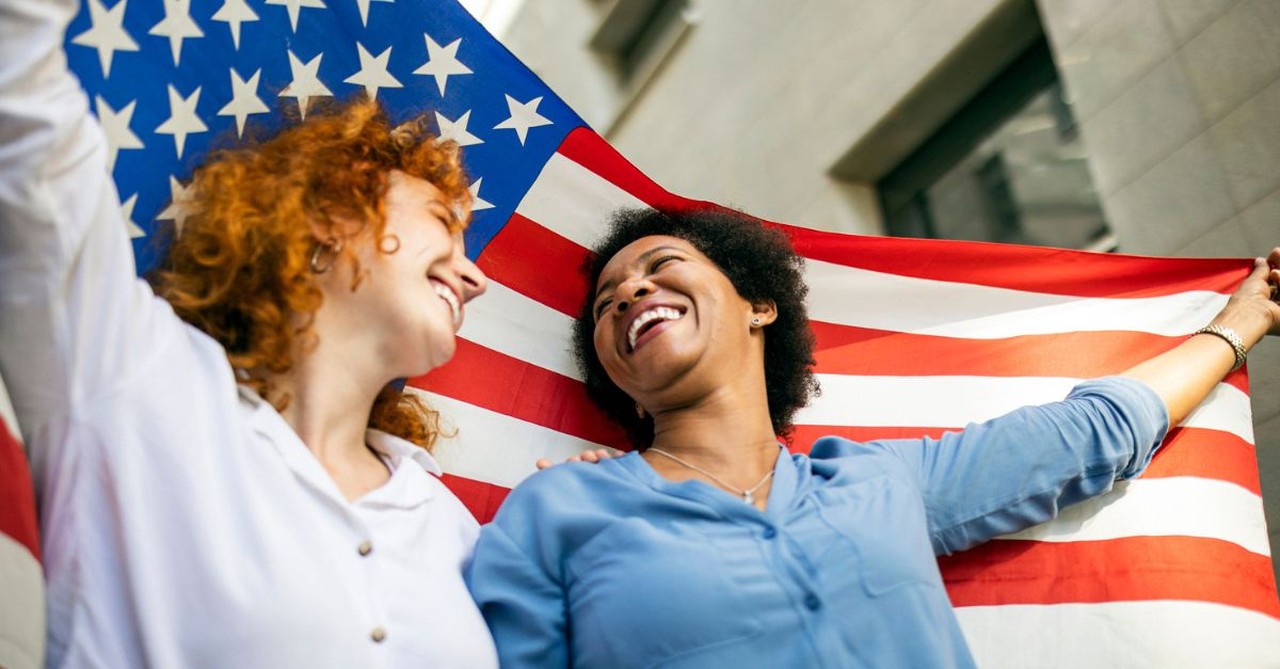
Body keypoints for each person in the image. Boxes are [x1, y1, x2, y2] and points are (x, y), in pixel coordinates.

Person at [466, 206, 1280, 667]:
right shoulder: (559, 507)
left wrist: (1241, 323)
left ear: (759, 305)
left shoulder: (879, 481)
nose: (630, 290)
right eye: (608, 301)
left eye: (660, 265)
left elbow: (1088, 433)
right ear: (612, 370)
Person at [0, 1, 498, 666]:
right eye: (443, 219)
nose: (475, 278)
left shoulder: (460, 531)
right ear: (331, 216)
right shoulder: (128, 371)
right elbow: (21, 104)